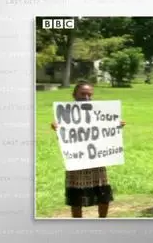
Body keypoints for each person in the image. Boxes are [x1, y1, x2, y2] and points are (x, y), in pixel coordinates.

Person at [50, 80, 126, 218]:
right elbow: (65, 139)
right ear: (74, 94)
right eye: (82, 94)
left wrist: (116, 126)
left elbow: (106, 134)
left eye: (89, 95)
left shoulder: (99, 112)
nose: (86, 97)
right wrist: (58, 130)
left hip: (97, 160)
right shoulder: (65, 114)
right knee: (76, 197)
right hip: (77, 161)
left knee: (103, 194)